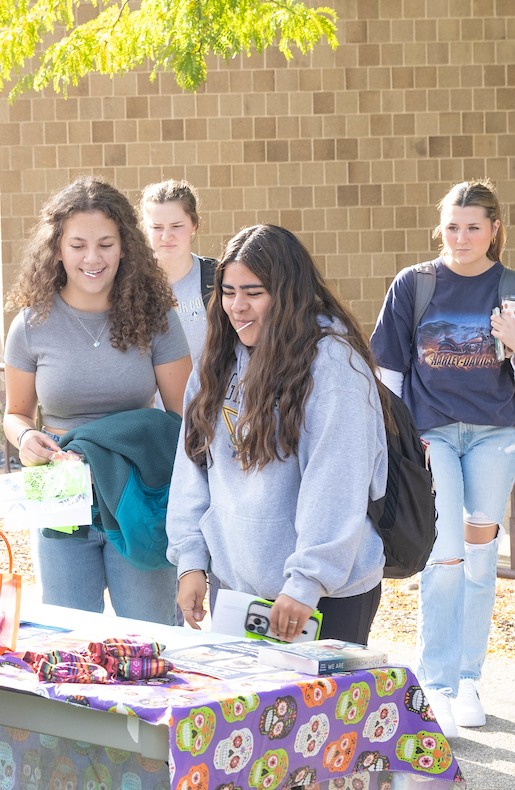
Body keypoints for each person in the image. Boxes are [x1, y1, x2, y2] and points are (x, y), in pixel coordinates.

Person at [371, 180, 515, 738]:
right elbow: (389, 373)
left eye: (474, 226)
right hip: (435, 438)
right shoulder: (415, 285)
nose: (462, 237)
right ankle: (437, 685)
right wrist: (402, 437)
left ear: (494, 230)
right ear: (440, 226)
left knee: (479, 557)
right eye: (453, 226)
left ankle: (469, 679)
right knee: (443, 555)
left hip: (496, 437)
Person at [167, 224, 389, 646]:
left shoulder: (332, 364)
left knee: (318, 714)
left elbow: (336, 482)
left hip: (321, 595)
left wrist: (306, 582)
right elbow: (193, 466)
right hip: (237, 586)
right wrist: (191, 560)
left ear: (288, 293)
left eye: (253, 292)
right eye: (228, 292)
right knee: (247, 712)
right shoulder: (218, 360)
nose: (237, 306)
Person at [3, 176, 192, 624]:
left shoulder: (157, 318)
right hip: (60, 492)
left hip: (140, 495)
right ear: (58, 248)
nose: (92, 258)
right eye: (78, 245)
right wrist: (25, 436)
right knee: (69, 638)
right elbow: (15, 414)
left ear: (126, 246)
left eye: (106, 244)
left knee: (151, 634)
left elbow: (185, 418)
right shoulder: (31, 325)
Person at [140, 179, 216, 370]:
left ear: (194, 225)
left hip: (205, 399)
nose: (166, 236)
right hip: (149, 401)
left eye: (176, 226)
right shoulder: (129, 283)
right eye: (157, 227)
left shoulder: (216, 278)